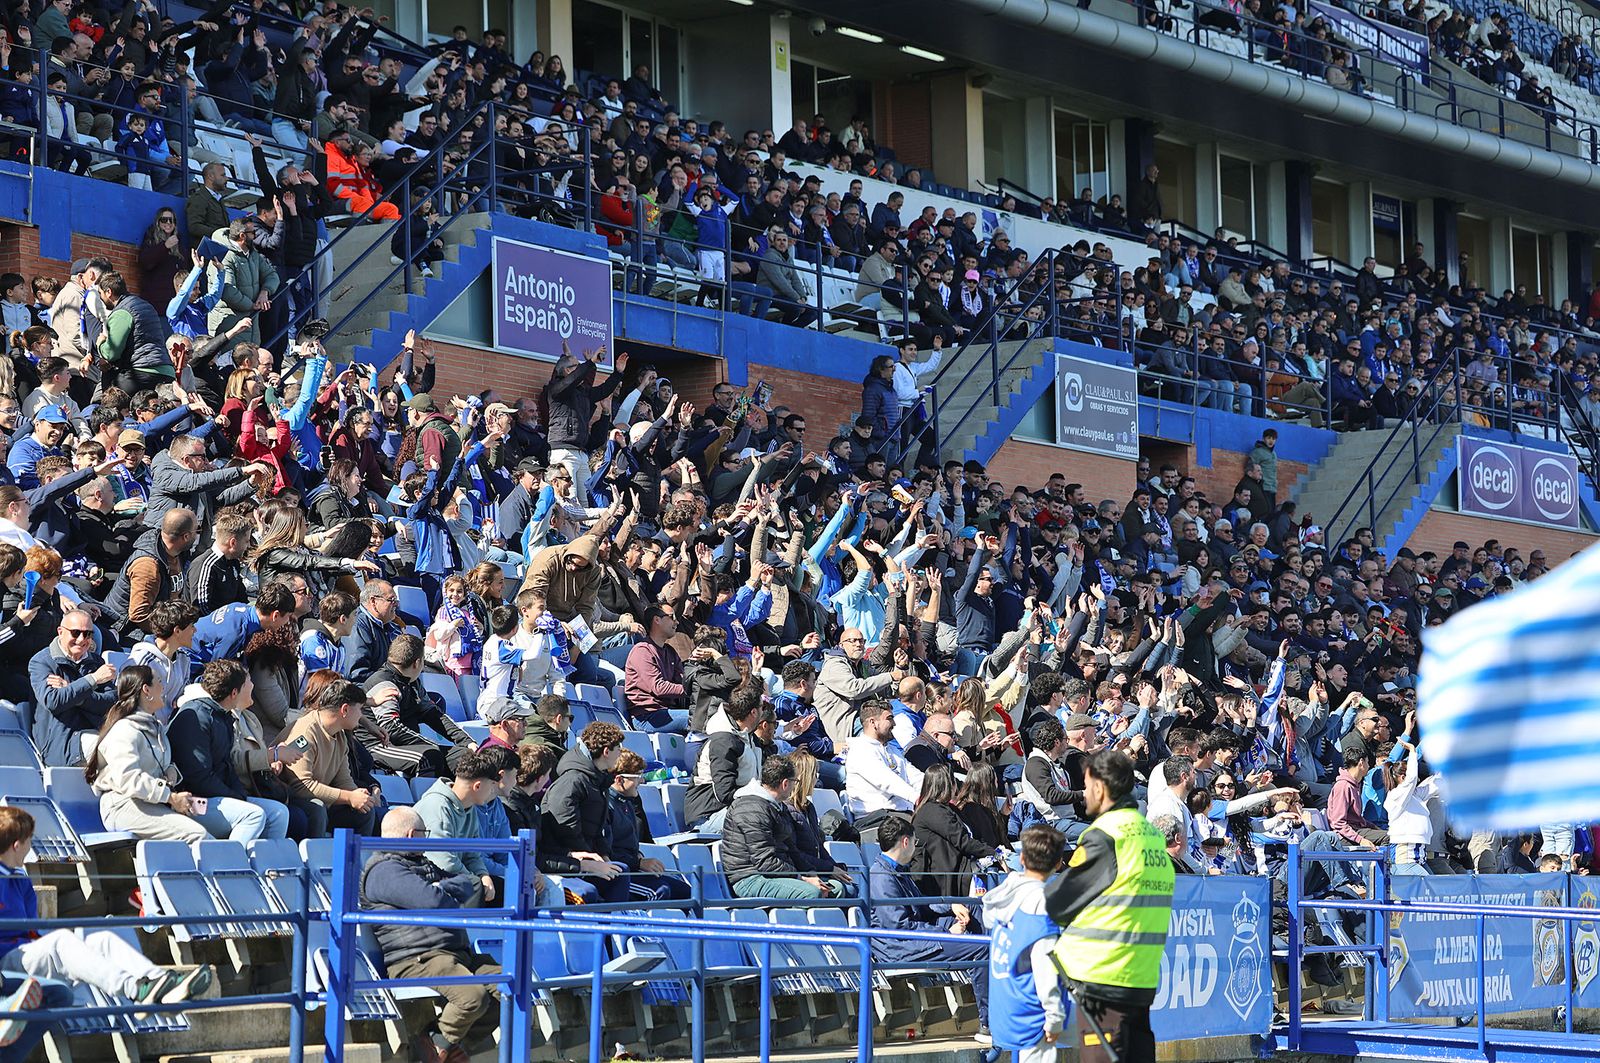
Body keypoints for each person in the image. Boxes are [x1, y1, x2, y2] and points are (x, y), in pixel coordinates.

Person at [0, 807, 213, 1009]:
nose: (31, 846)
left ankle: (160, 983)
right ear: (17, 845)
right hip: (6, 962)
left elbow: (32, 931)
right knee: (61, 941)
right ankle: (136, 990)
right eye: (29, 840)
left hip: (27, 953)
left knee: (105, 939)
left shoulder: (21, 881)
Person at [1043, 749, 1173, 1063]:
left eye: (1086, 786)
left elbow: (1058, 903)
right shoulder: (1152, 836)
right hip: (1139, 975)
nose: (1084, 793)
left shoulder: (1104, 837)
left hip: (1101, 976)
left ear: (1100, 788)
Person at [359, 806, 501, 1063]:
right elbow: (433, 900)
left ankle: (446, 1046)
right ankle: (434, 1047)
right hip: (417, 958)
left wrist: (441, 887)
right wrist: (441, 890)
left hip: (455, 954)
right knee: (473, 997)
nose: (428, 839)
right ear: (413, 834)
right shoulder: (383, 870)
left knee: (513, 987)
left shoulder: (420, 862)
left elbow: (469, 885)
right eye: (425, 833)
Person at [869, 814, 991, 1040]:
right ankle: (989, 1023)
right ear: (905, 842)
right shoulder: (881, 878)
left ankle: (995, 993)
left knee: (973, 911)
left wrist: (953, 905)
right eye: (915, 842)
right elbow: (899, 929)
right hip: (901, 947)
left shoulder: (896, 870)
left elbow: (921, 905)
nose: (915, 848)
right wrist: (947, 932)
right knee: (982, 948)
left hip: (917, 936)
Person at [168, 659, 292, 841]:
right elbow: (199, 779)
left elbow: (227, 766)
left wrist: (238, 796)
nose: (253, 686)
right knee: (253, 815)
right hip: (192, 802)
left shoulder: (222, 716)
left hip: (217, 797)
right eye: (247, 683)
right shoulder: (196, 717)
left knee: (279, 813)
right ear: (234, 693)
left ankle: (265, 867)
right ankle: (230, 865)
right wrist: (234, 797)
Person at [84, 666, 207, 842]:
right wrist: (170, 797)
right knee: (198, 835)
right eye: (159, 682)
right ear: (146, 690)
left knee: (212, 833)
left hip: (153, 803)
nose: (163, 687)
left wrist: (171, 774)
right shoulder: (124, 730)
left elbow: (160, 764)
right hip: (123, 805)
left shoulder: (155, 728)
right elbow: (128, 779)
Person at [986, 825, 1068, 1063]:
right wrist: (1054, 1015)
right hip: (1030, 1011)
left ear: (1021, 858)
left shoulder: (1005, 894)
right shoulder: (1042, 902)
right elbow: (1044, 964)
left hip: (1003, 1006)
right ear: (1058, 863)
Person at [722, 754, 846, 901]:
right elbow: (765, 862)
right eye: (795, 781)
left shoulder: (776, 806)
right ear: (785, 783)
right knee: (812, 893)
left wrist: (811, 873)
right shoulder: (752, 808)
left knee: (836, 889)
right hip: (750, 877)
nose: (796, 785)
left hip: (775, 873)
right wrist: (802, 878)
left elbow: (792, 850)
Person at [539, 721, 629, 904]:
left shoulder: (596, 779)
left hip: (585, 857)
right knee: (594, 890)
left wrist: (603, 855)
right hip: (565, 859)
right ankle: (605, 929)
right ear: (606, 752)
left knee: (620, 871)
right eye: (618, 748)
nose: (620, 753)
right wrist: (589, 858)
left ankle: (613, 929)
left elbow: (599, 827)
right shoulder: (574, 779)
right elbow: (565, 825)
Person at [282, 679, 381, 837]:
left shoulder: (339, 735)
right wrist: (348, 797)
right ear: (345, 709)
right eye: (360, 709)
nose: (361, 715)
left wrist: (358, 795)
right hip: (290, 798)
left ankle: (357, 860)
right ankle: (314, 860)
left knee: (365, 811)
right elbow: (300, 785)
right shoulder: (305, 733)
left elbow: (343, 780)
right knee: (317, 809)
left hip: (321, 799)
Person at [29, 608, 117, 767]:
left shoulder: (96, 662)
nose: (81, 639)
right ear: (60, 632)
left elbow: (111, 703)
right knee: (116, 753)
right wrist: (92, 680)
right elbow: (54, 701)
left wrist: (74, 693)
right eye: (75, 633)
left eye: (88, 634)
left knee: (135, 745)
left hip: (97, 732)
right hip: (61, 742)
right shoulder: (42, 662)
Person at [413, 750, 502, 907]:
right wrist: (476, 880)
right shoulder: (437, 805)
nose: (493, 792)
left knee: (505, 889)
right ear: (478, 786)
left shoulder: (470, 808)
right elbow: (443, 860)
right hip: (429, 878)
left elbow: (472, 853)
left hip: (455, 875)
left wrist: (483, 875)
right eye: (492, 786)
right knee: (477, 887)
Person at [606, 749, 691, 901]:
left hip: (632, 869)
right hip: (616, 875)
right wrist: (638, 862)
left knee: (686, 891)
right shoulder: (605, 806)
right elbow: (605, 852)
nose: (641, 781)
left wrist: (639, 858)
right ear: (619, 779)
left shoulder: (628, 803)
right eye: (637, 777)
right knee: (659, 892)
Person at [910, 763, 1000, 897]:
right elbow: (962, 841)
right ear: (947, 784)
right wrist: (996, 854)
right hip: (944, 878)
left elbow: (973, 836)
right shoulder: (931, 811)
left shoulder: (950, 809)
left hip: (960, 868)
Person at [685, 687, 764, 830]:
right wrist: (757, 795)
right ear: (753, 712)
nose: (763, 712)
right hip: (708, 816)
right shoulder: (723, 741)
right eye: (761, 707)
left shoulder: (750, 738)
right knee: (761, 817)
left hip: (740, 808)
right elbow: (724, 793)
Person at [844, 698, 924, 832]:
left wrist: (935, 791)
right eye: (890, 718)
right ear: (873, 722)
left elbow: (914, 775)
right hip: (876, 818)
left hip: (899, 815)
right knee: (929, 828)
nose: (894, 723)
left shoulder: (890, 749)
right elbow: (886, 780)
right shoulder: (860, 750)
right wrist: (916, 797)